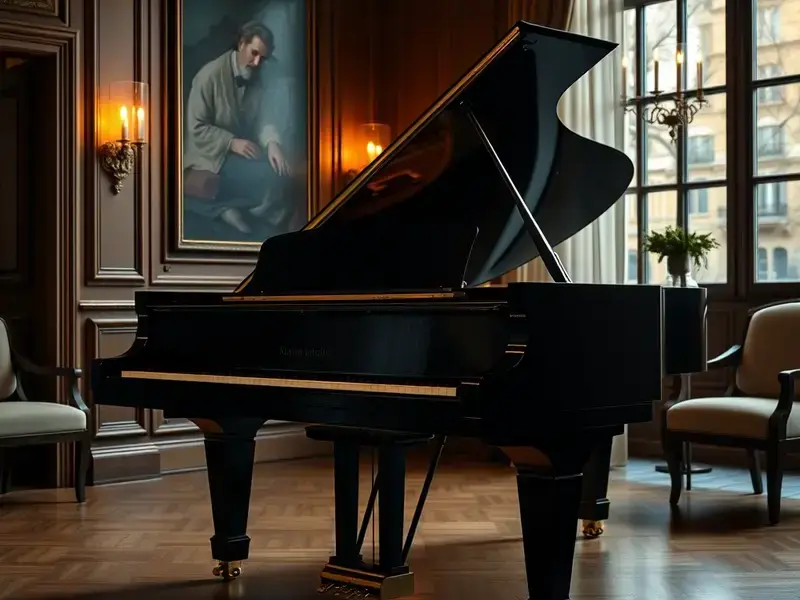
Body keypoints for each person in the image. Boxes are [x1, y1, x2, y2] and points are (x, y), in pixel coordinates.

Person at [183, 21, 291, 235]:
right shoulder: (208, 76)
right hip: (207, 154)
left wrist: (272, 143)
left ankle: (226, 208)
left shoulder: (257, 77)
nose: (257, 62)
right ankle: (223, 209)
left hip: (240, 152)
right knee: (265, 180)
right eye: (254, 53)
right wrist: (231, 142)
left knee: (277, 176)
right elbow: (196, 127)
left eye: (263, 58)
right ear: (241, 43)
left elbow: (263, 118)